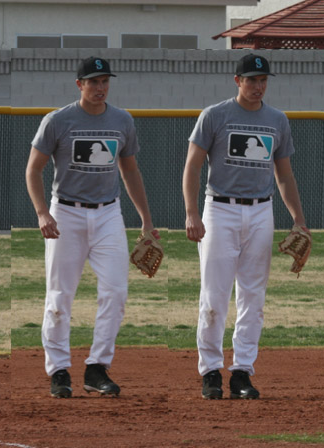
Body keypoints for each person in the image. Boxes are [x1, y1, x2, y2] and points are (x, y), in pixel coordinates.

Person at [25, 56, 159, 398]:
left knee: (115, 292)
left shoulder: (122, 120)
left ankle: (97, 368)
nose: (100, 87)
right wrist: (42, 213)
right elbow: (33, 169)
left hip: (108, 214)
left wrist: (145, 220)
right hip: (65, 214)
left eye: (105, 81)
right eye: (94, 81)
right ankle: (58, 370)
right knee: (60, 297)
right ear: (79, 84)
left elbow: (130, 171)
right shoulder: (58, 120)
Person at [183, 54, 308, 400]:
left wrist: (298, 219)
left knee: (253, 296)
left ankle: (242, 371)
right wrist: (191, 213)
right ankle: (210, 370)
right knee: (214, 296)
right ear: (237, 80)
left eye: (263, 79)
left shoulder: (277, 120)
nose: (258, 86)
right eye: (252, 79)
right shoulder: (215, 115)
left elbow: (284, 175)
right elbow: (192, 166)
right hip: (219, 209)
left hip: (261, 211)